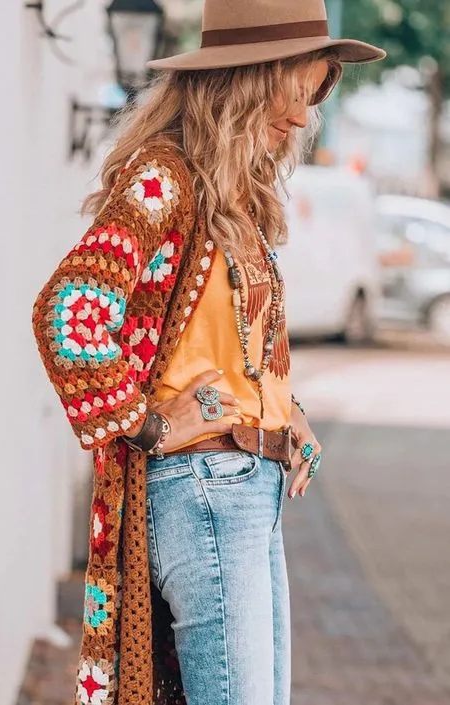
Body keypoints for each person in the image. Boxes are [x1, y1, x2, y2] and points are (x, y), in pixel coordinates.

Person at [31, 1, 386, 703]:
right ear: (248, 80)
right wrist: (148, 422)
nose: (303, 117)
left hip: (248, 488)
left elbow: (220, 345)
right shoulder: (166, 177)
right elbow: (68, 310)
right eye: (296, 89)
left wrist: (286, 410)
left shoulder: (235, 194)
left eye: (317, 93)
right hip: (203, 490)